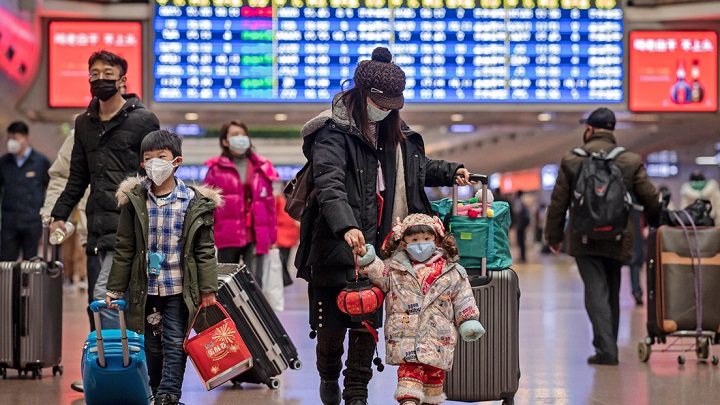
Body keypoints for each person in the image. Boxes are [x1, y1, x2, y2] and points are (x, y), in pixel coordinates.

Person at [296, 46, 474, 405]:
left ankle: (357, 394)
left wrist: (450, 170)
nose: (387, 110)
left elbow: (416, 169)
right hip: (335, 246)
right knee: (331, 329)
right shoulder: (332, 133)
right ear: (363, 95)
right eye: (382, 103)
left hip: (381, 247)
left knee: (366, 326)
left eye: (394, 104)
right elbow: (330, 183)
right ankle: (329, 377)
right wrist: (346, 226)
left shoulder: (396, 134)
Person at [49, 50, 159, 392]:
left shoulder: (143, 121)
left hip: (133, 230)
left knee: (119, 301)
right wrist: (58, 216)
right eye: (93, 72)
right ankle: (106, 372)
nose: (100, 78)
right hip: (96, 231)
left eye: (107, 72)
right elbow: (77, 178)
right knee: (98, 303)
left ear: (123, 79)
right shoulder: (84, 123)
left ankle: (127, 371)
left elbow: (156, 173)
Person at [105, 130, 220, 405]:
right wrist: (115, 288)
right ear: (142, 164)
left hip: (179, 287)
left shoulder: (193, 202)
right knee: (152, 346)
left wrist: (207, 289)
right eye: (149, 158)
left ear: (176, 161)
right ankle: (158, 392)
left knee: (173, 343)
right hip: (145, 288)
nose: (155, 163)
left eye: (162, 157)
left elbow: (204, 250)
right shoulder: (135, 200)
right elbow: (125, 248)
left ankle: (169, 396)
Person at [544, 107, 660, 366]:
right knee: (613, 289)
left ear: (589, 130)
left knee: (595, 290)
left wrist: (553, 237)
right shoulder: (629, 160)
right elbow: (650, 197)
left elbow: (558, 202)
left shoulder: (572, 159)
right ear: (612, 130)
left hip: (583, 237)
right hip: (619, 236)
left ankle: (606, 349)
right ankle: (609, 345)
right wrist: (655, 223)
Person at [356, 214, 485, 405]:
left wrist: (468, 319)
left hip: (438, 337)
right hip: (406, 336)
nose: (421, 244)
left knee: (434, 380)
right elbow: (380, 275)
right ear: (404, 243)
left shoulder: (452, 271)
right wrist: (368, 260)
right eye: (414, 240)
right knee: (408, 379)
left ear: (436, 240)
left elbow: (462, 296)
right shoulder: (395, 268)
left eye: (426, 239)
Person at [203, 121, 279, 286]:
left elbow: (269, 205)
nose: (241, 138)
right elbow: (207, 206)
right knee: (226, 283)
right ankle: (228, 313)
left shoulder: (262, 167)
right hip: (227, 234)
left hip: (256, 234)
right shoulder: (215, 169)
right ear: (225, 141)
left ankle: (255, 312)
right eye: (235, 135)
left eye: (243, 134)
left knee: (254, 284)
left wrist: (272, 237)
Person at [40, 132, 100, 329]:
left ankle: (132, 356)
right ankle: (102, 355)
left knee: (129, 307)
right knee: (98, 305)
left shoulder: (138, 123)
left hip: (128, 235)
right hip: (90, 231)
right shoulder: (80, 133)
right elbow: (60, 177)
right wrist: (52, 213)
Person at [0, 121, 51, 261]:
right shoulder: (4, 163)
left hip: (32, 221)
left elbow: (52, 187)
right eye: (9, 138)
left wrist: (49, 212)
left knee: (30, 262)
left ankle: (27, 284)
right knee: (7, 263)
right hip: (9, 222)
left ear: (25, 138)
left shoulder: (40, 162)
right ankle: (9, 284)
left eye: (15, 138)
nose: (11, 142)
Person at [275, 190, 300, 286]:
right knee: (283, 259)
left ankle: (284, 279)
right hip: (282, 235)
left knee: (284, 259)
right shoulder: (281, 200)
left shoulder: (283, 200)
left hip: (289, 235)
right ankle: (284, 279)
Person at [512, 190, 530, 263]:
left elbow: (517, 213)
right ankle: (522, 256)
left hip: (521, 225)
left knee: (520, 241)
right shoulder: (523, 201)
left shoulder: (518, 202)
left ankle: (522, 256)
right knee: (521, 241)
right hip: (523, 224)